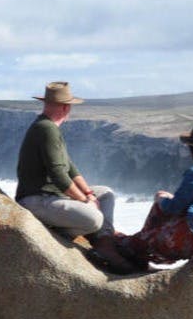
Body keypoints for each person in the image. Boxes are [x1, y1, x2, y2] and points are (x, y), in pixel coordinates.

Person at [101, 121, 193, 271]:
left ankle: (138, 244)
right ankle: (142, 241)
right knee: (164, 202)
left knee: (161, 199)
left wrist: (160, 199)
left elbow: (175, 207)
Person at [15, 81, 123, 260]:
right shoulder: (46, 129)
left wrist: (89, 193)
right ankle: (68, 233)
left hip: (55, 197)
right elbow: (59, 175)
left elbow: (70, 168)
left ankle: (105, 238)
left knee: (105, 194)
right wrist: (84, 200)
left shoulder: (50, 128)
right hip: (37, 199)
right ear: (66, 108)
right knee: (94, 218)